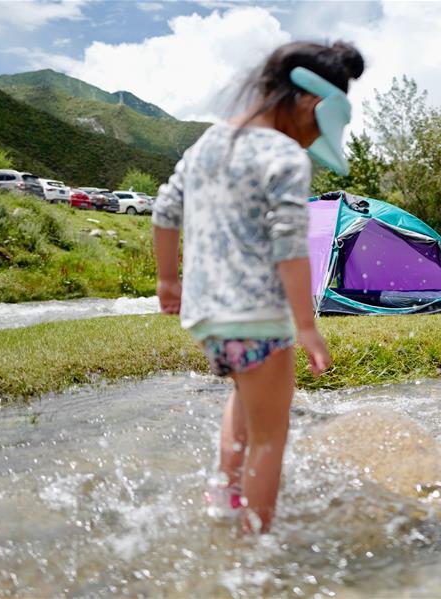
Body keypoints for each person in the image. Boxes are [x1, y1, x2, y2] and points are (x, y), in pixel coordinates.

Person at [152, 41, 364, 532]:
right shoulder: (284, 155)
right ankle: (255, 548)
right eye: (319, 126)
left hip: (207, 317)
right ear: (312, 102)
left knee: (244, 402)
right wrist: (307, 326)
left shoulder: (208, 142)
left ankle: (222, 499)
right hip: (259, 317)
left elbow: (164, 210)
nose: (314, 138)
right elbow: (288, 244)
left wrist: (168, 279)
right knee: (271, 436)